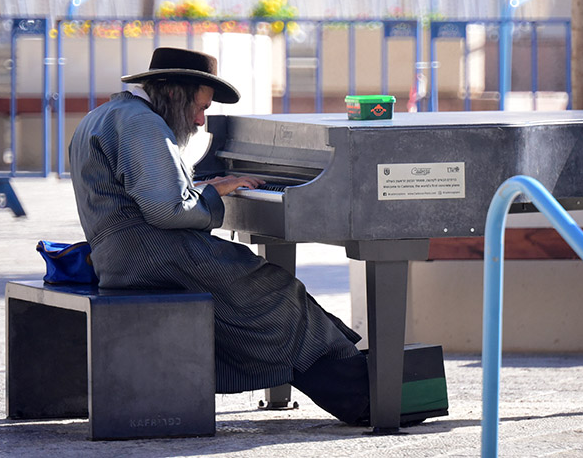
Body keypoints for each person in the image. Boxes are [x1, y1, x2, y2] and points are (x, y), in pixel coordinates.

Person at [68, 46, 370, 425]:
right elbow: (168, 210)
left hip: (123, 255)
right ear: (174, 93)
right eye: (200, 107)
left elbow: (149, 192)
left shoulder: (105, 115)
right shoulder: (140, 123)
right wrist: (214, 193)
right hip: (153, 255)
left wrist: (207, 187)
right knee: (276, 292)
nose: (199, 120)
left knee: (265, 290)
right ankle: (363, 398)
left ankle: (353, 371)